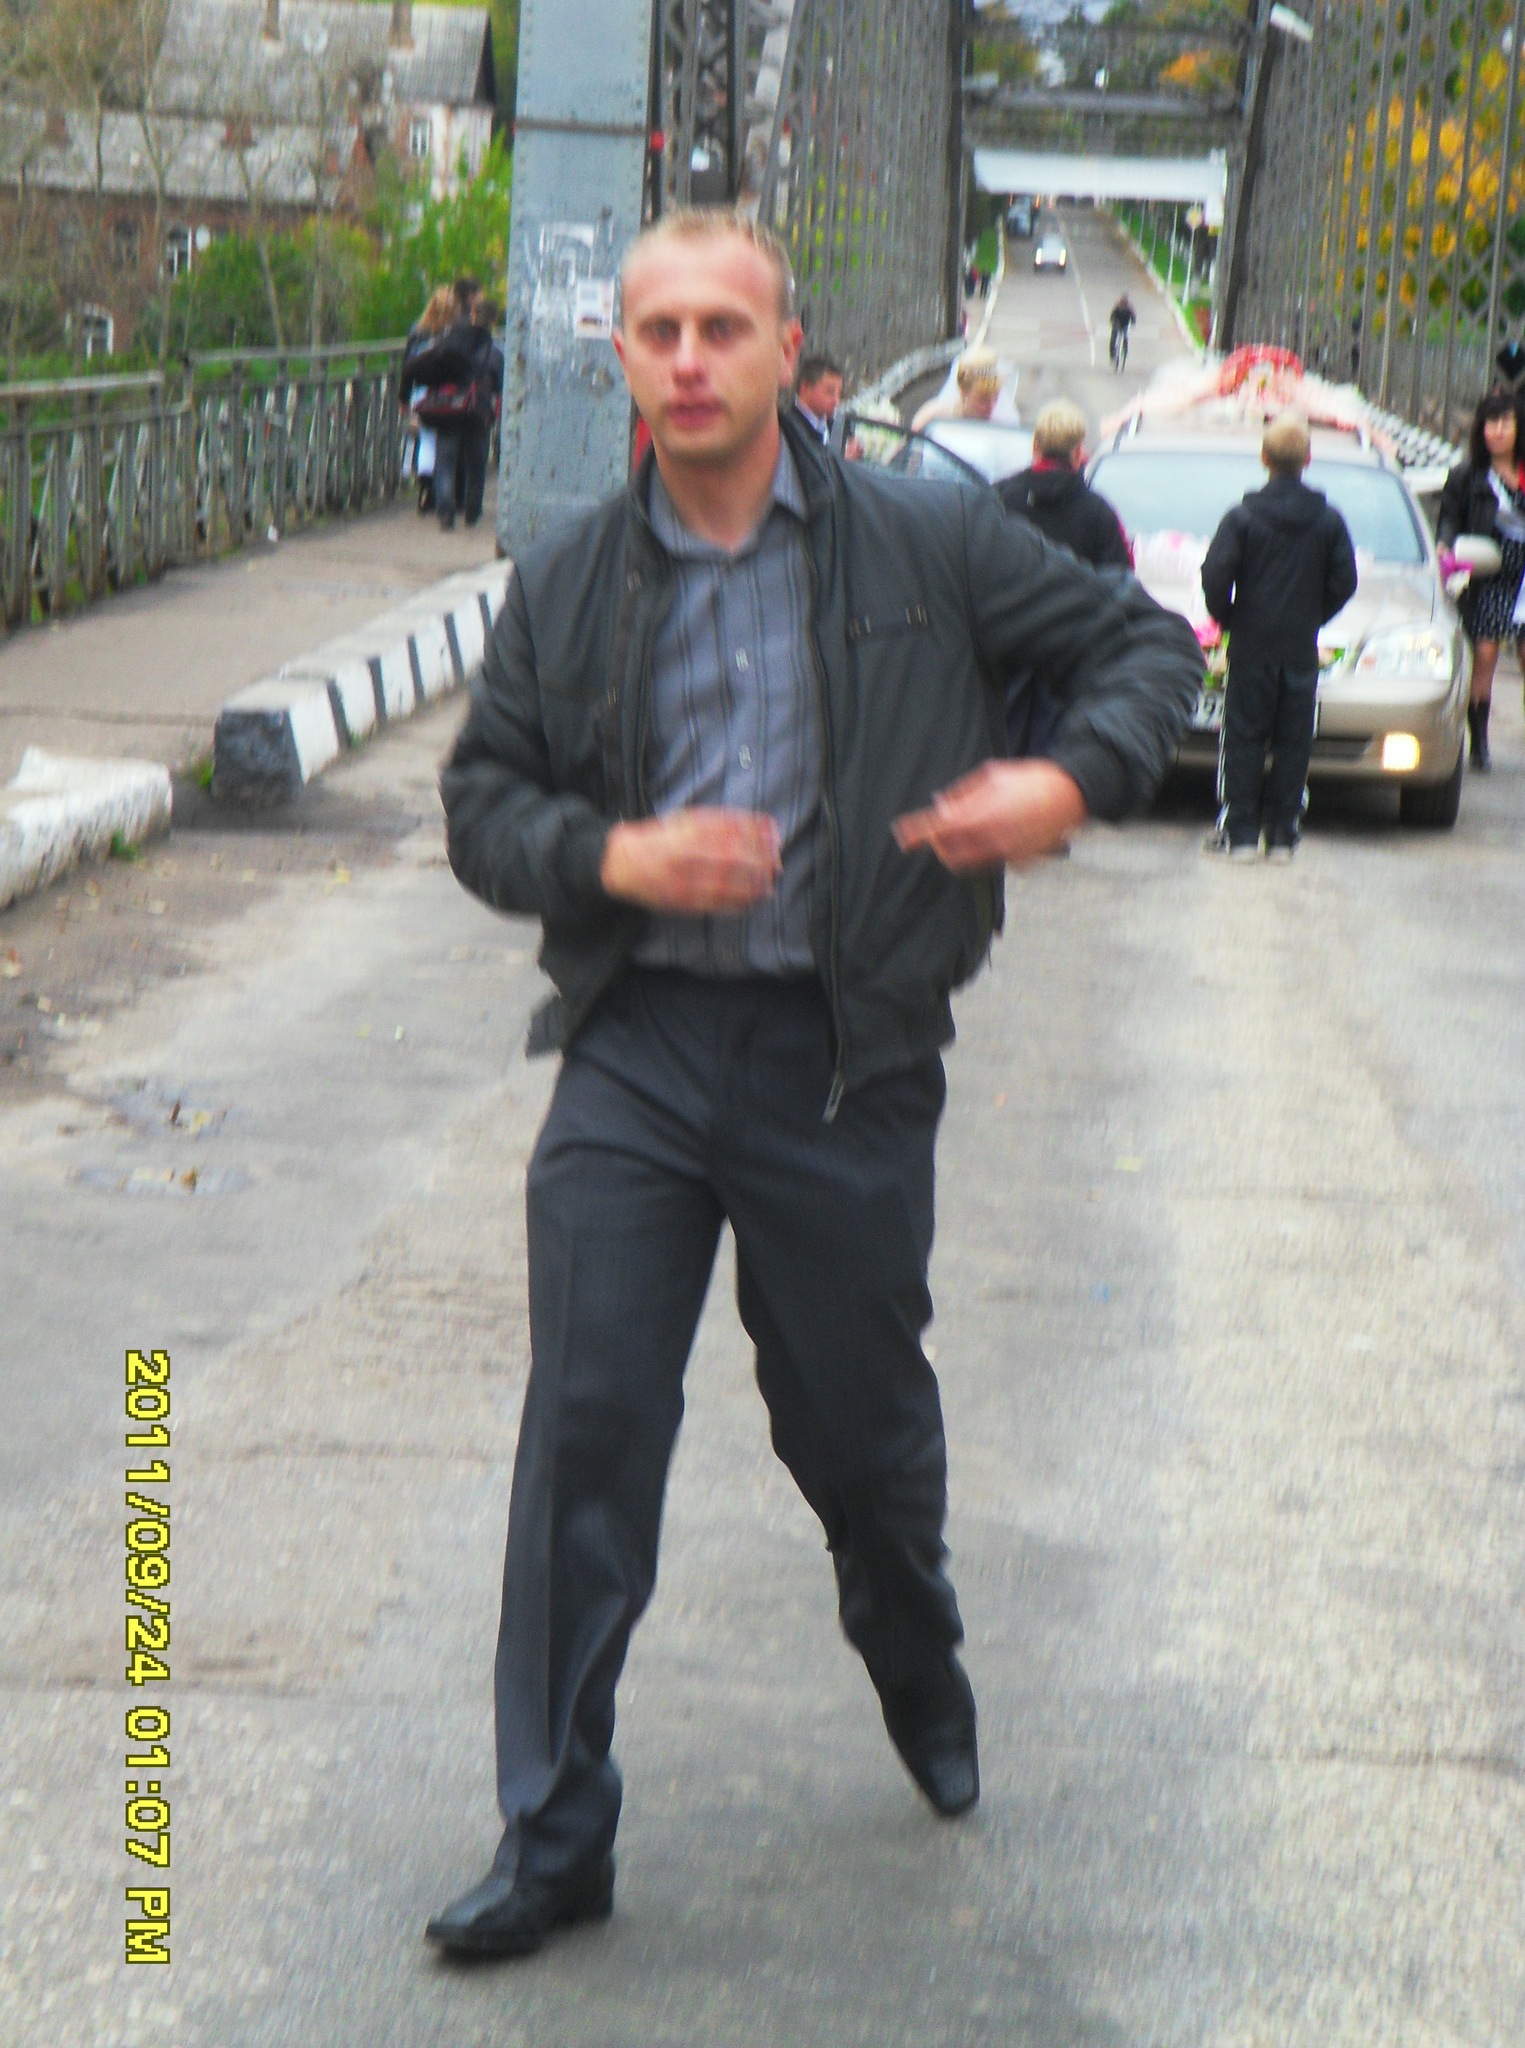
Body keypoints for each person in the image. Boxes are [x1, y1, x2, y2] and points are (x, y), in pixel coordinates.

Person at [429, 206, 1201, 1962]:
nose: (690, 359)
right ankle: (554, 1832)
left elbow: (1149, 652)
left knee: (855, 1431)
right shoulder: (568, 581)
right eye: (659, 332)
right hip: (637, 1049)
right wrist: (614, 855)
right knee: (587, 1426)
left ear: (788, 351)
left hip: (845, 1060)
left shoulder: (931, 539)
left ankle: (913, 1646)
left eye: (724, 328)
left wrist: (1064, 783)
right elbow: (482, 808)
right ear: (621, 358)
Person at [1200, 412, 1358, 861]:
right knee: (1294, 741)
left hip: (1251, 645)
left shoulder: (1242, 517)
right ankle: (1283, 836)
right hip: (1300, 646)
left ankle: (1241, 836)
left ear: (1264, 458)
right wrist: (1314, 616)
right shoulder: (1328, 520)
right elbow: (1345, 580)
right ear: (1308, 460)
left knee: (1243, 737)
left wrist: (1230, 617)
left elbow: (1215, 574)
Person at [1436, 384, 1525, 772]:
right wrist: (1446, 546)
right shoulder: (1468, 475)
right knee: (1486, 652)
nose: (1497, 431)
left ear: (1518, 426)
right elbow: (1450, 517)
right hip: (1489, 574)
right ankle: (1478, 742)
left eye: (1505, 423)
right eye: (1490, 423)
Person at [998, 399, 1131, 571]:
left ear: (1035, 445)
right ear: (1077, 453)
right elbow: (1121, 576)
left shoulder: (999, 499)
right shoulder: (1099, 513)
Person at [409, 291, 502, 530]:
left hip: (448, 407)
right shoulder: (495, 350)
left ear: (472, 314)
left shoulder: (450, 340)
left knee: (446, 461)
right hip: (478, 410)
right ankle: (472, 510)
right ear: (494, 320)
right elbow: (498, 388)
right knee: (476, 463)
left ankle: (446, 512)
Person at [400, 285, 457, 515]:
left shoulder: (418, 331)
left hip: (422, 393)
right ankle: (444, 493)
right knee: (448, 443)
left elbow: (408, 365)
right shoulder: (456, 331)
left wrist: (404, 396)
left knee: (426, 440)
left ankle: (425, 488)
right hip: (449, 393)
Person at [911, 348, 1014, 432]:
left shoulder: (1002, 428)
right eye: (983, 399)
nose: (991, 407)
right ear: (964, 391)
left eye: (995, 398)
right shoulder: (932, 418)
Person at [793, 351, 843, 444]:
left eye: (839, 394)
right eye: (830, 391)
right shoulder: (788, 428)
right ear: (805, 387)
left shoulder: (831, 426)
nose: (836, 401)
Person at [1108, 295, 1135, 370]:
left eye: (1124, 303)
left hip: (1125, 325)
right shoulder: (1117, 308)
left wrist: (1133, 322)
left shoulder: (1129, 309)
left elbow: (1133, 317)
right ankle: (1112, 354)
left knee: (1125, 337)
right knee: (1113, 339)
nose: (1123, 305)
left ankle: (1125, 350)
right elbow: (1112, 317)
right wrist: (1113, 322)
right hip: (1117, 325)